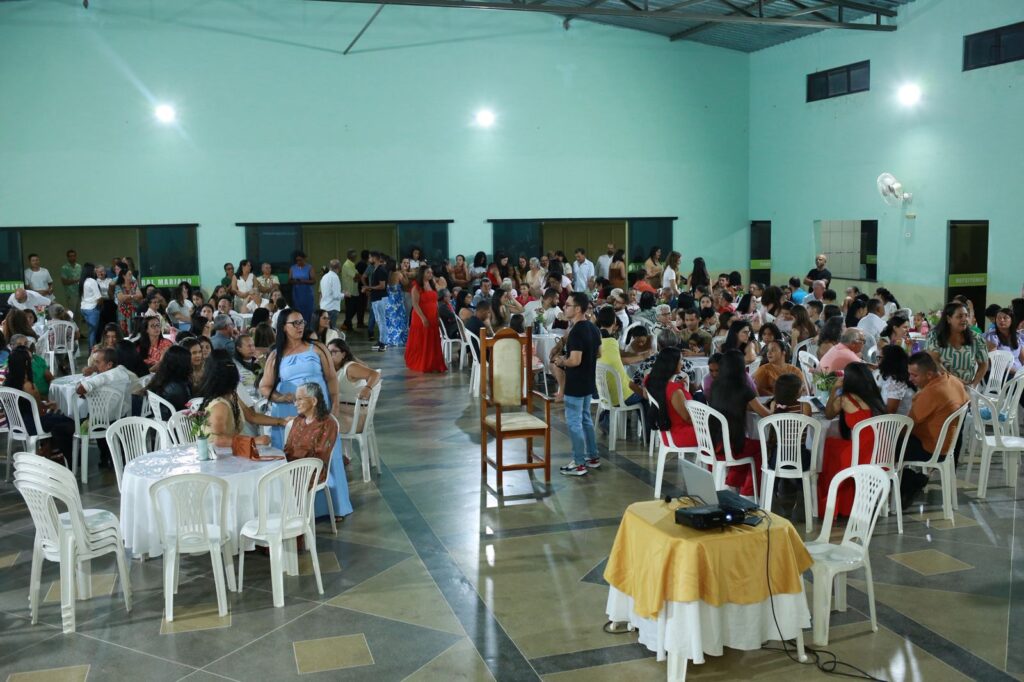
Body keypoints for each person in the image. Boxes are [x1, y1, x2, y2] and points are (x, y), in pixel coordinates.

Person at [258, 314, 351, 518]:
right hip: (290, 411)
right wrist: (282, 397)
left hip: (319, 409)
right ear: (283, 327)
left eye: (302, 322)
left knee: (326, 454)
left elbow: (331, 378)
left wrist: (335, 404)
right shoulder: (276, 355)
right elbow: (264, 387)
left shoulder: (317, 348)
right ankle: (298, 510)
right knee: (296, 457)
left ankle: (335, 506)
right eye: (295, 323)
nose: (300, 326)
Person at [899, 352, 969, 504]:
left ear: (929, 374)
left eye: (914, 375)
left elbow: (907, 426)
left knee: (886, 446)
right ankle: (911, 481)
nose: (910, 379)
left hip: (931, 449)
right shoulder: (953, 381)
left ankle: (911, 483)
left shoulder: (931, 393)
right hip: (949, 447)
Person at [818, 362, 886, 517]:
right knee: (837, 446)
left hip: (861, 455)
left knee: (829, 446)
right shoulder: (876, 397)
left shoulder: (846, 399)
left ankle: (836, 502)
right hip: (881, 455)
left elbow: (828, 414)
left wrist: (834, 389)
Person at [708, 350, 770, 496]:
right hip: (732, 447)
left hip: (714, 443)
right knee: (762, 447)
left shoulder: (715, 385)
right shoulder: (743, 388)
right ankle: (749, 491)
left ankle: (733, 483)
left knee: (747, 446)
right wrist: (774, 408)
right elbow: (765, 414)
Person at [200, 349, 288, 448]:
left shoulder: (231, 395)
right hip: (217, 454)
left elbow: (252, 416)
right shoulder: (220, 405)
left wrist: (281, 421)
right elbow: (219, 440)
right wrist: (255, 440)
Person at [556, 293, 602, 476]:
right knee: (585, 419)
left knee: (574, 421)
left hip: (575, 384)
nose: (564, 307)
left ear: (577, 309)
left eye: (567, 305)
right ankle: (592, 456)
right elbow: (599, 353)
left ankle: (579, 462)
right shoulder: (593, 328)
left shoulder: (576, 332)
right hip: (588, 381)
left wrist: (562, 361)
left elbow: (575, 360)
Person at [3, 347, 74, 462]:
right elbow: (39, 411)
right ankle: (68, 457)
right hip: (31, 425)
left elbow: (25, 406)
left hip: (14, 426)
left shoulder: (8, 383)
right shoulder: (27, 385)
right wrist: (47, 406)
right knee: (68, 421)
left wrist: (46, 406)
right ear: (26, 363)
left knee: (56, 421)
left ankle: (49, 450)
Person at [595, 308, 644, 434]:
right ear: (614, 322)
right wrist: (643, 356)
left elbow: (617, 357)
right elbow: (623, 363)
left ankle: (605, 420)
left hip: (602, 392)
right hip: (620, 395)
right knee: (645, 396)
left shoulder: (596, 339)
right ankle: (647, 433)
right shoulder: (611, 341)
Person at [284, 381, 340, 490]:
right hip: (292, 468)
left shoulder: (328, 424)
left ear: (314, 401)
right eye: (295, 400)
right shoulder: (298, 421)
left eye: (300, 399)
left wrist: (294, 462)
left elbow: (319, 457)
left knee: (274, 484)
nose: (295, 404)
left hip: (311, 473)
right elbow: (288, 449)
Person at [926, 301, 990, 388]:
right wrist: (955, 381)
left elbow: (984, 364)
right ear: (948, 319)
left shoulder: (976, 338)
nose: (964, 319)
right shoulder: (935, 336)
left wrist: (973, 385)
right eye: (960, 316)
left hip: (965, 388)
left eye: (966, 316)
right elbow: (933, 361)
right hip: (941, 385)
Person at [644, 346, 697, 448]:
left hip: (667, 433)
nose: (682, 363)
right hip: (681, 435)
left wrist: (676, 384)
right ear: (672, 364)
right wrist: (704, 424)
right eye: (681, 360)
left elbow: (648, 395)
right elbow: (687, 418)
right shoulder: (675, 391)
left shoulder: (650, 380)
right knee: (719, 434)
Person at [328, 338, 381, 434]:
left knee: (321, 424)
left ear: (343, 354)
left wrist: (367, 388)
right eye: (328, 352)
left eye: (334, 352)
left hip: (356, 417)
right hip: (345, 412)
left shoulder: (350, 367)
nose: (330, 355)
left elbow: (375, 374)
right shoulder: (332, 370)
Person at [405, 265, 447, 373]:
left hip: (433, 316)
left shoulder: (432, 284)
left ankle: (433, 363)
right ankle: (421, 363)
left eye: (431, 272)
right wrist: (423, 318)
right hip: (420, 317)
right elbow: (415, 304)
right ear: (422, 274)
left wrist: (437, 315)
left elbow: (436, 301)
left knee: (432, 341)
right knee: (421, 341)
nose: (430, 274)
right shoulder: (416, 287)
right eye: (428, 272)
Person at [145, 345, 193, 416]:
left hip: (160, 418)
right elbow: (186, 410)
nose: (191, 364)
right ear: (182, 364)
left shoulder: (160, 377)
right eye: (189, 361)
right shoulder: (177, 388)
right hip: (174, 420)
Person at [984, 307, 1024, 375]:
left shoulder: (1017, 336)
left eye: (1005, 318)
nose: (1001, 320)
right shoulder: (992, 336)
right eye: (999, 318)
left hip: (1018, 373)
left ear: (1012, 320)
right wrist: (1016, 372)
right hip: (1001, 373)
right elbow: (993, 360)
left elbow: (1022, 358)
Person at [878, 345, 915, 415]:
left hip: (896, 421)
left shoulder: (898, 382)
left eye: (880, 358)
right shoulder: (888, 376)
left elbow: (890, 411)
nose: (878, 361)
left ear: (889, 360)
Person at [78, 264, 102, 348]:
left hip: (84, 308)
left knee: (90, 331)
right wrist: (99, 307)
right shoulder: (92, 281)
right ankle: (91, 351)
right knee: (93, 332)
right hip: (92, 308)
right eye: (94, 270)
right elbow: (99, 297)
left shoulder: (82, 281)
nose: (95, 271)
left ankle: (91, 350)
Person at [113, 263, 142, 334]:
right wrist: (133, 296)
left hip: (134, 311)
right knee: (123, 332)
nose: (131, 276)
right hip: (123, 313)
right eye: (129, 274)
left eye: (131, 274)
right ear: (124, 276)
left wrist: (127, 297)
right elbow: (121, 298)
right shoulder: (118, 286)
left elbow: (140, 296)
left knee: (135, 331)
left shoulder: (134, 284)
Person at [288, 251, 315, 324]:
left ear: (304, 259)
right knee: (298, 310)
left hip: (307, 293)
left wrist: (303, 281)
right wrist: (295, 281)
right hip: (297, 293)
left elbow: (313, 281)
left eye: (300, 260)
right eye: (297, 260)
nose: (299, 262)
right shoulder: (293, 268)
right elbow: (289, 280)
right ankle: (299, 324)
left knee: (308, 310)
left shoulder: (309, 267)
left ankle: (308, 326)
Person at [319, 259, 343, 330]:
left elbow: (324, 293)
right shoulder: (335, 277)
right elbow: (336, 296)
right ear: (339, 267)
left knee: (324, 330)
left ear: (330, 267)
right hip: (332, 308)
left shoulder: (324, 277)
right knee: (331, 330)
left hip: (324, 307)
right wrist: (344, 294)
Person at [341, 250, 360, 332]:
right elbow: (356, 276)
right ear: (350, 256)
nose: (355, 257)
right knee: (350, 309)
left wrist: (357, 277)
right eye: (354, 256)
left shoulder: (352, 264)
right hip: (349, 292)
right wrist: (357, 277)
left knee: (355, 308)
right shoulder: (347, 265)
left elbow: (357, 277)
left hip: (353, 291)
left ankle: (346, 323)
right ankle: (348, 326)